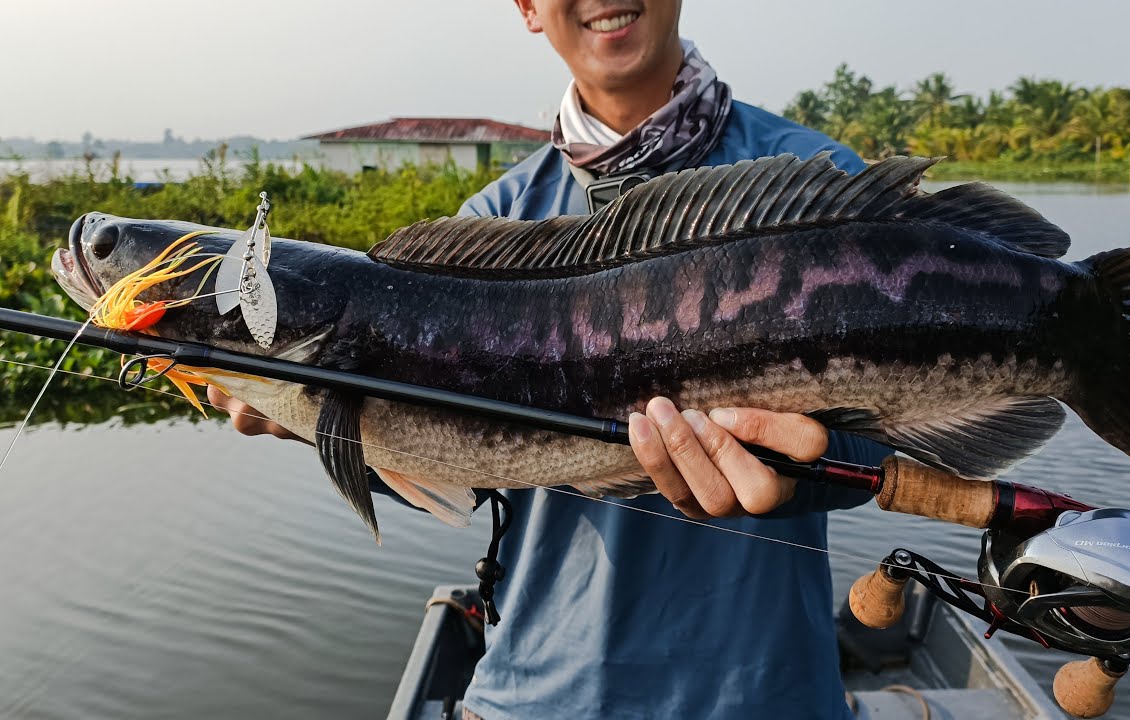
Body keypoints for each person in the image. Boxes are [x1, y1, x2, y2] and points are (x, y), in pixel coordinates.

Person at [209, 1, 890, 717]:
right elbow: (462, 477)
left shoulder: (817, 190)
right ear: (529, 8)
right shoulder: (485, 229)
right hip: (541, 692)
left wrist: (802, 474)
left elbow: (896, 444)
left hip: (764, 696)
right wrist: (323, 421)